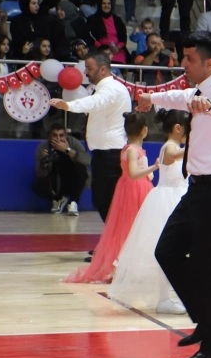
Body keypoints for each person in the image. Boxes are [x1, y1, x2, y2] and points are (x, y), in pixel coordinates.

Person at [135, 31, 211, 358]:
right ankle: (209, 320)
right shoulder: (198, 90)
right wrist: (151, 98)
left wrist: (208, 105)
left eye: (189, 59)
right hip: (197, 190)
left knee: (203, 265)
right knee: (166, 251)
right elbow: (179, 96)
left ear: (210, 63)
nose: (182, 64)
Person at [109, 111, 190, 315]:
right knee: (167, 248)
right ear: (178, 128)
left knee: (184, 247)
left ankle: (199, 285)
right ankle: (167, 297)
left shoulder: (176, 147)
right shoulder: (169, 148)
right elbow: (179, 155)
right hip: (166, 200)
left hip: (178, 196)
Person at [65, 112, 154, 284]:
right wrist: (154, 167)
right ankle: (126, 267)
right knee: (131, 227)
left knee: (136, 227)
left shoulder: (130, 149)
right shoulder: (131, 151)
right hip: (134, 189)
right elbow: (134, 174)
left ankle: (135, 266)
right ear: (145, 131)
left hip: (136, 188)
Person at [50, 50, 132, 219]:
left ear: (102, 69)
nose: (85, 72)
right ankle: (115, 243)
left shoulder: (111, 89)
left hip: (111, 155)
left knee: (105, 202)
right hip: (106, 154)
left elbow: (94, 102)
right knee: (105, 202)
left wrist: (68, 105)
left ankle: (117, 243)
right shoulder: (108, 88)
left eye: (89, 67)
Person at [33, 126, 91, 213]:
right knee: (38, 186)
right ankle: (58, 199)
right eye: (55, 135)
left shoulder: (73, 142)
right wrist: (44, 163)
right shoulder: (42, 148)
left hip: (73, 179)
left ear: (66, 136)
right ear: (49, 136)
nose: (58, 138)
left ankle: (73, 202)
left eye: (61, 135)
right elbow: (40, 174)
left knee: (81, 168)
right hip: (55, 181)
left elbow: (87, 160)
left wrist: (67, 150)